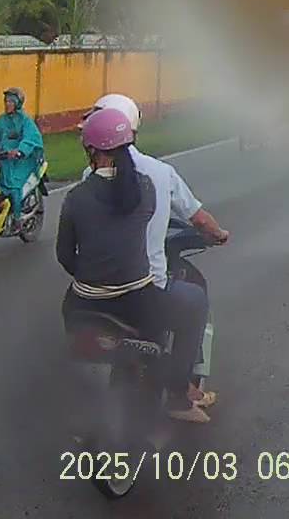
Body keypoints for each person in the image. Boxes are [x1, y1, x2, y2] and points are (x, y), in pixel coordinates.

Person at [58, 108, 211, 423]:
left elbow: (65, 255)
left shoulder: (76, 196)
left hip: (81, 303)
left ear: (90, 150)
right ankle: (178, 395)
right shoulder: (147, 188)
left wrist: (94, 277)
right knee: (194, 303)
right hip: (138, 302)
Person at [0, 88, 45, 238]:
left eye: (11, 101)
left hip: (22, 161)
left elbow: (31, 138)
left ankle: (17, 219)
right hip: (4, 158)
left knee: (14, 187)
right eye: (6, 101)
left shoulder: (25, 121)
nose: (7, 104)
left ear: (18, 103)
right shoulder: (2, 120)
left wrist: (20, 151)